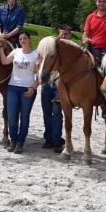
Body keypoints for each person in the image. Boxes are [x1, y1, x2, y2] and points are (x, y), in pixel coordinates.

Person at [0, 32, 39, 154]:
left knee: (24, 117)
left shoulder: (35, 55)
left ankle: (20, 142)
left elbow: (40, 75)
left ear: (29, 39)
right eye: (20, 39)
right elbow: (5, 61)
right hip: (13, 88)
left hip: (27, 89)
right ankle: (13, 141)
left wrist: (33, 88)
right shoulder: (16, 52)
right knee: (11, 117)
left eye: (25, 38)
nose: (22, 40)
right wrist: (0, 47)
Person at [41, 25, 71, 153]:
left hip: (60, 84)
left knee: (57, 112)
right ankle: (49, 139)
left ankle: (57, 141)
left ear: (70, 35)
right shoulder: (52, 47)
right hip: (48, 83)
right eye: (61, 34)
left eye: (66, 34)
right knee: (46, 112)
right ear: (58, 35)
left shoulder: (71, 51)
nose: (63, 36)